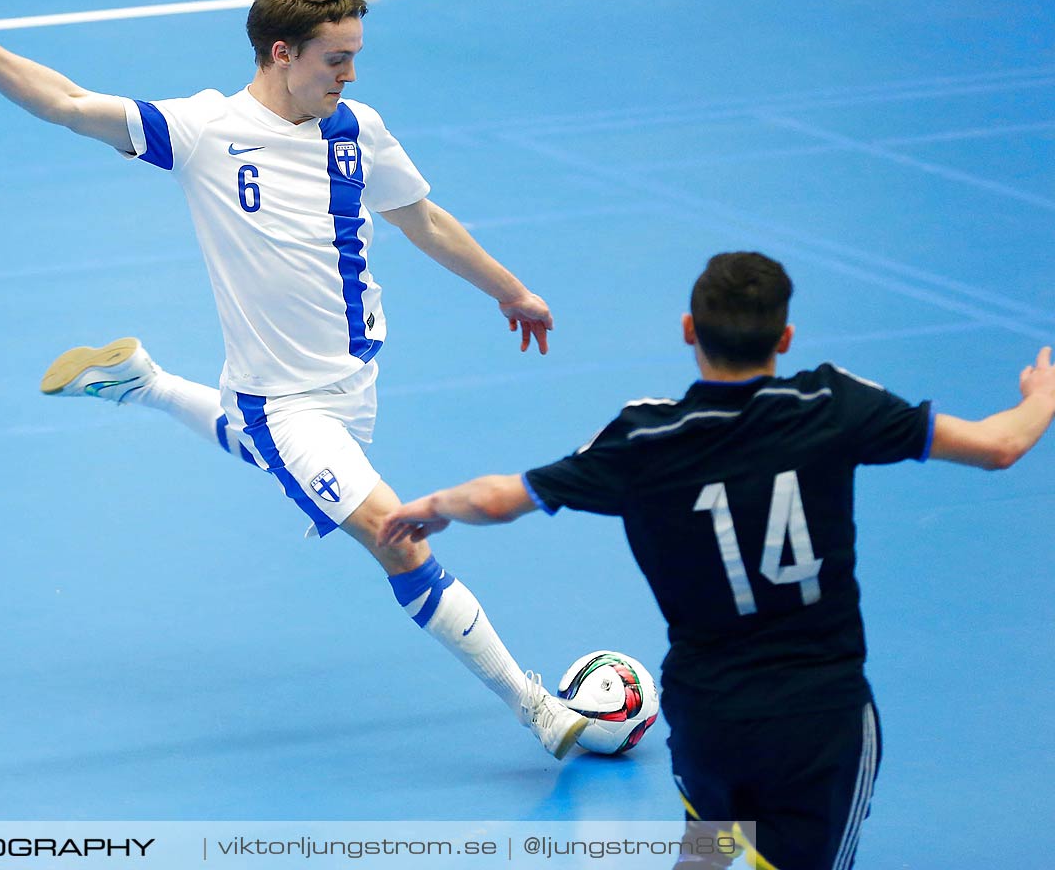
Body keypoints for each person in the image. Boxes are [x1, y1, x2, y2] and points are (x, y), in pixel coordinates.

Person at [0, 0, 590, 758]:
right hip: (285, 401)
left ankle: (150, 384)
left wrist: (512, 292)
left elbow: (423, 219)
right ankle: (532, 704)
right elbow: (67, 103)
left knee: (283, 461)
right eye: (336, 59)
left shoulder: (357, 128)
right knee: (396, 535)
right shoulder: (205, 129)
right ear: (282, 53)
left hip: (354, 378)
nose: (350, 74)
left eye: (354, 57)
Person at [381, 251, 1055, 869]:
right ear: (784, 338)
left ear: (687, 330)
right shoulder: (831, 404)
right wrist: (1042, 397)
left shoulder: (645, 439)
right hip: (820, 719)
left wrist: (433, 506)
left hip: (709, 714)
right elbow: (999, 446)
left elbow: (501, 500)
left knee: (708, 847)